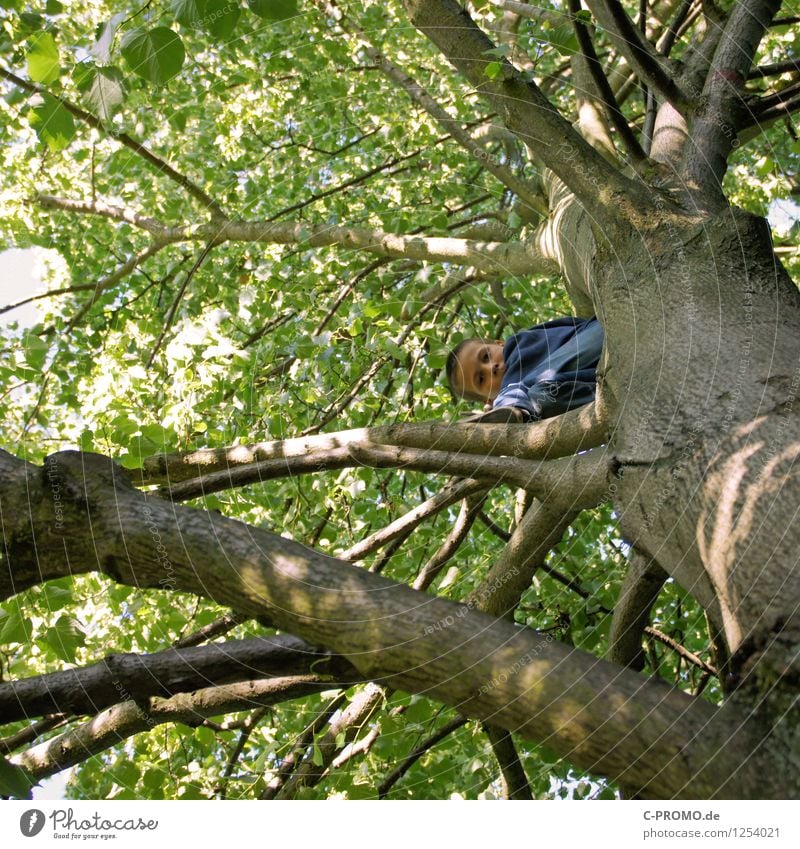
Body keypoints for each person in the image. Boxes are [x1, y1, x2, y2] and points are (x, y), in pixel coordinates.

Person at [445, 315, 603, 423]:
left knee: (537, 387)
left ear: (500, 343)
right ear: (488, 400)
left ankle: (508, 409)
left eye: (486, 356)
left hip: (597, 339)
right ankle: (508, 415)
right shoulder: (535, 401)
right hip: (600, 382)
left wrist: (505, 403)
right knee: (542, 397)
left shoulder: (519, 345)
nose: (491, 367)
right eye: (481, 379)